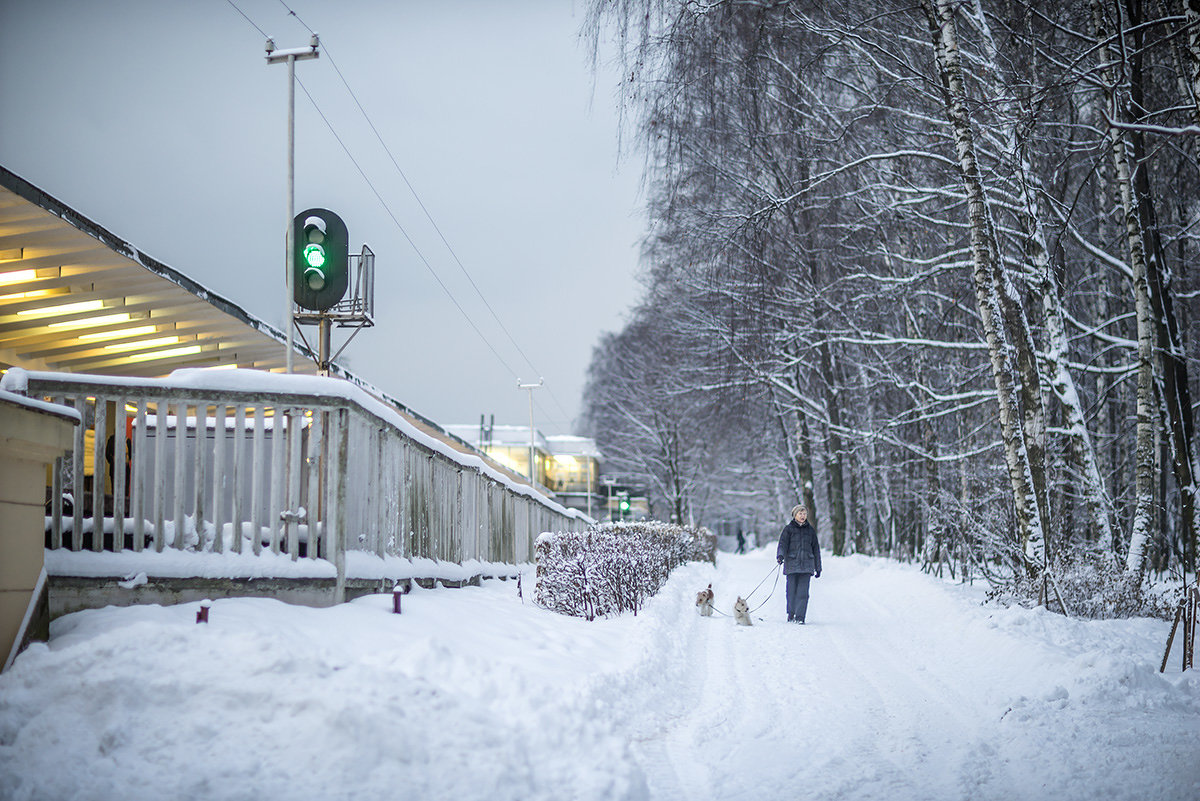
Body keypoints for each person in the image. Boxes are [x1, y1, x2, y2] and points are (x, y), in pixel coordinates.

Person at [776, 504, 821, 623]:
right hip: (792, 564)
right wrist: (780, 555)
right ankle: (791, 613)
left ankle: (800, 617)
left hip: (806, 566)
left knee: (803, 593)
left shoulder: (810, 530)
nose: (803, 516)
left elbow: (816, 549)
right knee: (791, 592)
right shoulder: (788, 529)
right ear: (795, 515)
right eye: (800, 513)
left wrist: (818, 567)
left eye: (804, 513)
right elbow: (782, 544)